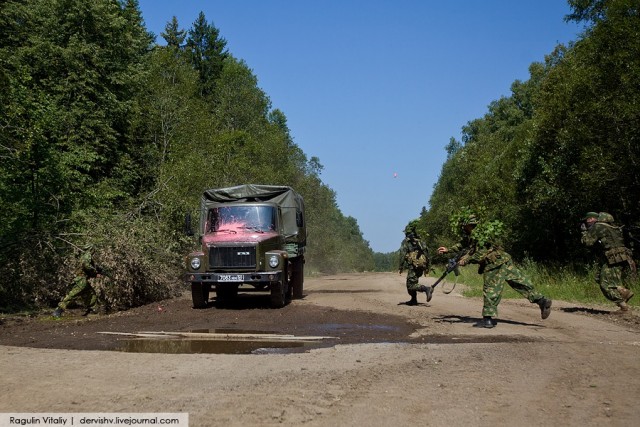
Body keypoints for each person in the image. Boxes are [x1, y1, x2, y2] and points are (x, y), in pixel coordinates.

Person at [437, 214, 552, 328]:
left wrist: (466, 260)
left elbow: (480, 253)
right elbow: (463, 244)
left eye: (464, 226)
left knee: (490, 289)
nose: (463, 228)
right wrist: (448, 250)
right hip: (503, 259)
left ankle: (488, 319)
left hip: (493, 264)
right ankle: (542, 301)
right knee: (519, 282)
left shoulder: (481, 235)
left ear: (469, 225)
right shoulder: (476, 233)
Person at [580, 211, 636, 312]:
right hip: (621, 257)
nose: (586, 223)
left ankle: (622, 305)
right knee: (606, 279)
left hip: (613, 259)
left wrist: (584, 232)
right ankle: (625, 293)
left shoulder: (598, 226)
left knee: (604, 284)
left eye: (586, 221)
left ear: (591, 219)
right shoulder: (611, 227)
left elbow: (587, 243)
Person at [52, 245, 103, 317]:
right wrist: (95, 271)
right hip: (81, 280)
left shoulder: (84, 256)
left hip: (83, 279)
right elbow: (87, 266)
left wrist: (95, 274)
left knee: (90, 294)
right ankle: (58, 310)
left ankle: (93, 311)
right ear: (92, 249)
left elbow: (86, 270)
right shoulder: (87, 255)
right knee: (73, 294)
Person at [398, 221, 433, 305]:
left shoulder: (406, 241)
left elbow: (402, 254)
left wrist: (400, 267)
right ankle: (413, 300)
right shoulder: (421, 241)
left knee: (410, 285)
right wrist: (428, 267)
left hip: (413, 266)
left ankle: (426, 289)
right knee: (413, 283)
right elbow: (427, 254)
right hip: (421, 265)